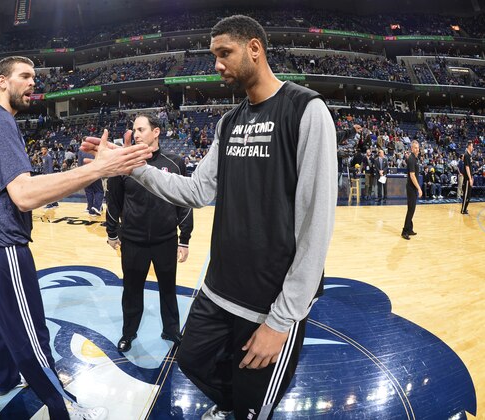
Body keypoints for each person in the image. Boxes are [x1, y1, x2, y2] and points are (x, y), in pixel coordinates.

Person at [83, 15, 336, 420]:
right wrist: (132, 168)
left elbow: (316, 225)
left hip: (268, 303)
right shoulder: (229, 122)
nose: (216, 64)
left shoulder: (306, 110)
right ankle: (232, 407)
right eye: (213, 55)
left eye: (224, 53)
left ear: (255, 48)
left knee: (256, 408)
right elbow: (196, 190)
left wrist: (282, 319)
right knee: (191, 361)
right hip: (218, 289)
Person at [0, 55, 151, 420]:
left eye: (34, 77)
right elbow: (24, 194)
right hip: (3, 248)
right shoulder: (1, 122)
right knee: (33, 338)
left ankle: (4, 379)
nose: (32, 83)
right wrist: (100, 168)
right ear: (2, 81)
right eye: (25, 76)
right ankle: (63, 408)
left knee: (0, 324)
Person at [105, 114, 193, 352]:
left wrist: (184, 239)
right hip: (133, 241)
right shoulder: (124, 164)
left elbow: (184, 203)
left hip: (166, 240)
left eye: (141, 129)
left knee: (168, 288)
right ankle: (128, 333)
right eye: (134, 130)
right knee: (131, 291)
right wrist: (112, 232)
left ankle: (171, 330)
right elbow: (113, 200)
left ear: (156, 132)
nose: (136, 133)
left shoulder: (175, 163)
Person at [401, 141, 422, 240]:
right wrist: (419, 188)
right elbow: (412, 176)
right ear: (411, 148)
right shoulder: (411, 159)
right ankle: (404, 231)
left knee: (412, 209)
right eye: (415, 148)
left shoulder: (415, 159)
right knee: (411, 209)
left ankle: (409, 228)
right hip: (411, 188)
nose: (417, 149)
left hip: (413, 188)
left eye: (418, 148)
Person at [78, 148, 104, 215]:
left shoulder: (81, 151)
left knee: (89, 191)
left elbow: (79, 164)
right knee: (99, 191)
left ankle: (90, 208)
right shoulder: (96, 150)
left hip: (85, 173)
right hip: (95, 172)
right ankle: (97, 207)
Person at [460, 141, 473, 215]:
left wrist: (472, 177)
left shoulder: (470, 155)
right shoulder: (466, 155)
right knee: (466, 195)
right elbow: (467, 167)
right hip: (467, 179)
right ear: (469, 146)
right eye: (472, 146)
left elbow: (471, 168)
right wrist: (470, 178)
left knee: (469, 195)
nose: (473, 147)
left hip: (470, 177)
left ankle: (465, 208)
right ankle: (463, 210)